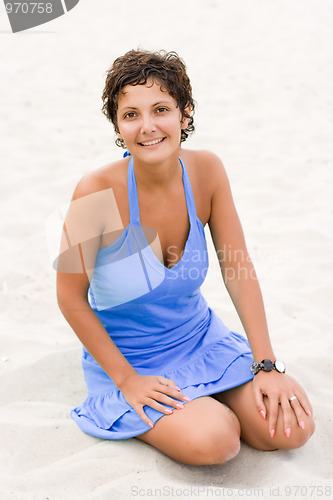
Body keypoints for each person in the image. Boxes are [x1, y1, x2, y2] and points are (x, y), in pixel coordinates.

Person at [56, 49, 315, 466]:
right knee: (216, 440)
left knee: (291, 429)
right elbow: (70, 297)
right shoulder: (94, 192)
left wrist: (266, 363)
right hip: (131, 358)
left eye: (161, 109)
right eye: (131, 115)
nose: (148, 127)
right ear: (118, 126)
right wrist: (128, 381)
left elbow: (237, 265)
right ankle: (187, 411)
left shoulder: (207, 171)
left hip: (199, 338)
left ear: (185, 114)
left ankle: (212, 397)